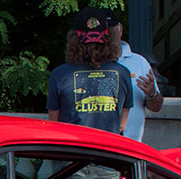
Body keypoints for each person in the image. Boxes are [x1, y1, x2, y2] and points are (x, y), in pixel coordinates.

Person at [47, 7, 133, 135]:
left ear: (74, 38)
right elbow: (121, 125)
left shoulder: (59, 75)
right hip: (108, 151)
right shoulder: (123, 73)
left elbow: (54, 124)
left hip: (72, 150)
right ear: (108, 38)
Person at [112, 19, 165, 142]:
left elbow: (156, 107)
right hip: (101, 146)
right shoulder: (95, 63)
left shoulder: (139, 62)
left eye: (112, 29)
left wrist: (152, 93)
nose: (109, 34)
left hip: (132, 146)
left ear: (120, 29)